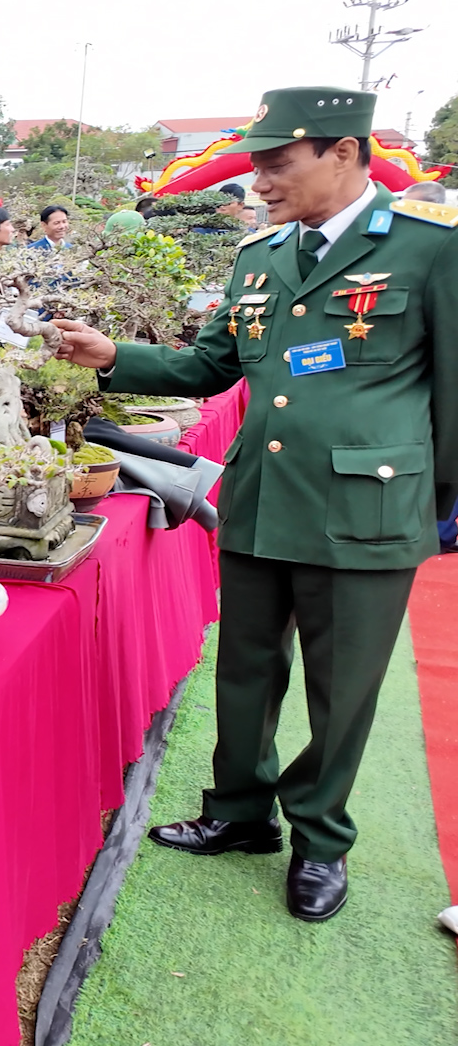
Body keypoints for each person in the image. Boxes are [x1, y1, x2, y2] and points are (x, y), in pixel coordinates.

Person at [53, 87, 458, 923]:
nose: (261, 182)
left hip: (366, 513)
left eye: (278, 164)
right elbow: (210, 368)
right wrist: (110, 354)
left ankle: (320, 841)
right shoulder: (261, 258)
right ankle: (238, 812)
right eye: (258, 166)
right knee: (244, 669)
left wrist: (434, 505)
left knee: (340, 691)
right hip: (261, 500)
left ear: (343, 152)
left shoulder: (429, 252)